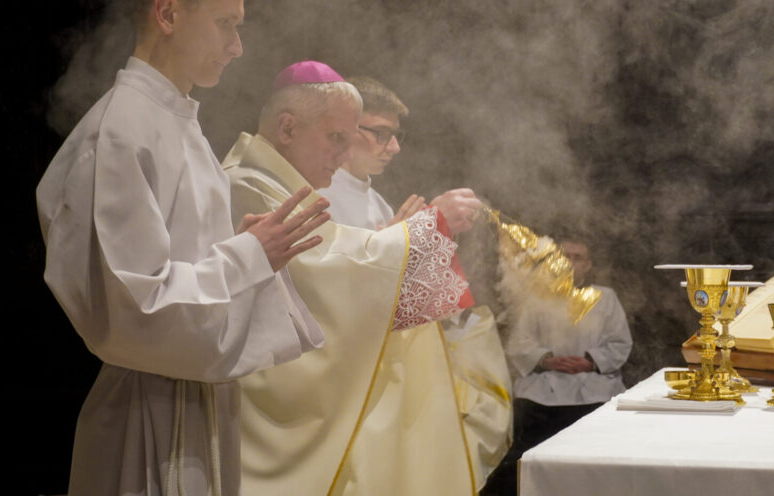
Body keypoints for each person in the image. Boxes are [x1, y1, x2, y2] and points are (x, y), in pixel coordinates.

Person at [36, 0, 330, 496]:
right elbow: (134, 306)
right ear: (168, 13)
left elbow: (177, 260)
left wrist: (239, 247)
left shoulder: (174, 119)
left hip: (192, 399)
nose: (237, 46)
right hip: (149, 411)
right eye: (225, 23)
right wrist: (245, 258)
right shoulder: (122, 130)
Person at [223, 61, 487, 496]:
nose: (345, 155)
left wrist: (405, 241)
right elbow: (321, 279)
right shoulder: (247, 186)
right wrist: (421, 231)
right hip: (276, 403)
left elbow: (345, 268)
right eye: (336, 139)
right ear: (287, 128)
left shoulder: (295, 187)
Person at [318, 76, 513, 490]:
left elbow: (405, 303)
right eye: (381, 133)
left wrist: (425, 238)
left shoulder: (375, 199)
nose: (394, 147)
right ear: (344, 128)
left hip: (385, 367)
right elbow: (331, 290)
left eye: (396, 135)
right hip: (343, 384)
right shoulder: (321, 195)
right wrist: (413, 233)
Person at [488, 236, 633, 495]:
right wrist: (545, 359)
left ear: (588, 265)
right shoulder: (535, 298)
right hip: (544, 391)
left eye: (578, 258)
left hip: (593, 389)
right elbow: (519, 342)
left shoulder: (605, 297)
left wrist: (590, 361)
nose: (570, 263)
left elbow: (620, 342)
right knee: (522, 455)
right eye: (565, 256)